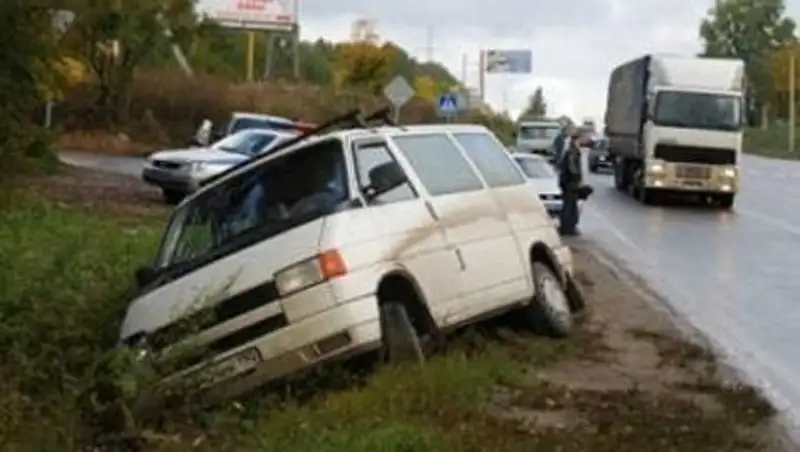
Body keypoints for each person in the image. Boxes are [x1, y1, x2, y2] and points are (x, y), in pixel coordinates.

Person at [558, 126, 588, 236]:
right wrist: (577, 180)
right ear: (578, 139)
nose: (586, 140)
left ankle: (569, 227)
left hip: (570, 182)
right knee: (569, 206)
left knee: (571, 205)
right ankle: (567, 228)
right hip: (569, 183)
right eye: (584, 137)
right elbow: (572, 168)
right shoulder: (571, 152)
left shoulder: (574, 151)